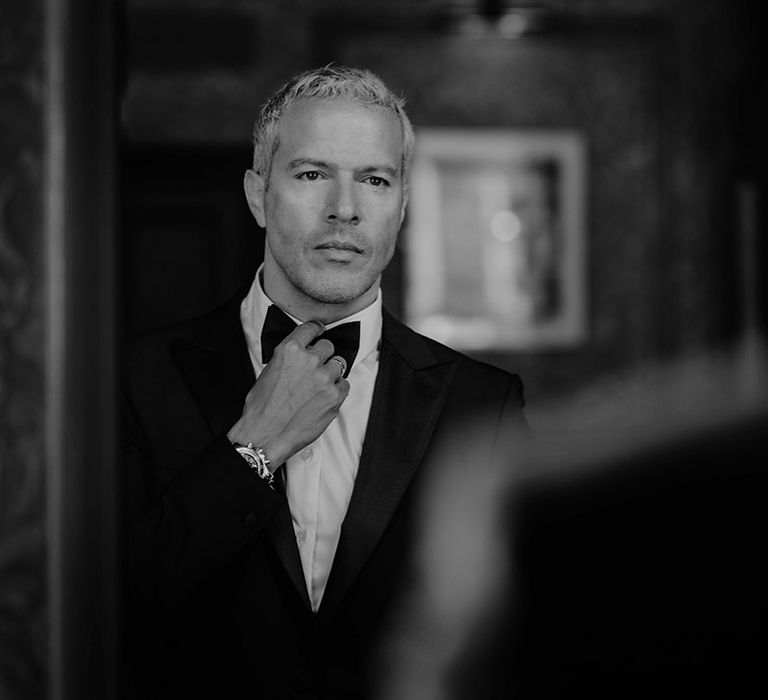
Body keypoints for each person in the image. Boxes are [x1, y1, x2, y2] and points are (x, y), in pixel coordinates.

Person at [122, 65, 527, 699]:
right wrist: (252, 450)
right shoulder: (134, 379)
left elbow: (513, 642)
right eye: (312, 175)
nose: (345, 209)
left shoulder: (484, 403)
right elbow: (100, 609)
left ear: (402, 203)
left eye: (374, 179)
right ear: (258, 195)